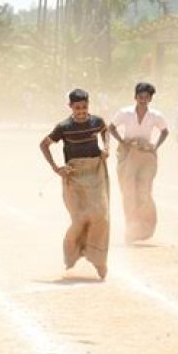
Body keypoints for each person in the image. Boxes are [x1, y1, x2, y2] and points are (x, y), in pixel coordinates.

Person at [39, 89, 110, 280]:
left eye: (84, 107)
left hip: (95, 172)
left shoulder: (97, 121)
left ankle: (98, 259)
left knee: (100, 215)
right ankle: (72, 254)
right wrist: (56, 168)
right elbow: (43, 144)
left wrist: (106, 148)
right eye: (77, 107)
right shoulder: (64, 127)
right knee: (80, 217)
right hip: (74, 175)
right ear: (70, 107)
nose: (81, 111)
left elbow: (105, 131)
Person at [108, 82, 169, 243]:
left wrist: (155, 146)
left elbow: (165, 131)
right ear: (135, 97)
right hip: (128, 155)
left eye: (147, 97)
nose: (143, 100)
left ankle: (144, 229)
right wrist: (122, 141)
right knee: (128, 192)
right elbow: (111, 127)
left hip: (146, 155)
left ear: (150, 99)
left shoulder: (155, 115)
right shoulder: (125, 113)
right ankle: (130, 228)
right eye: (140, 97)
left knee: (144, 192)